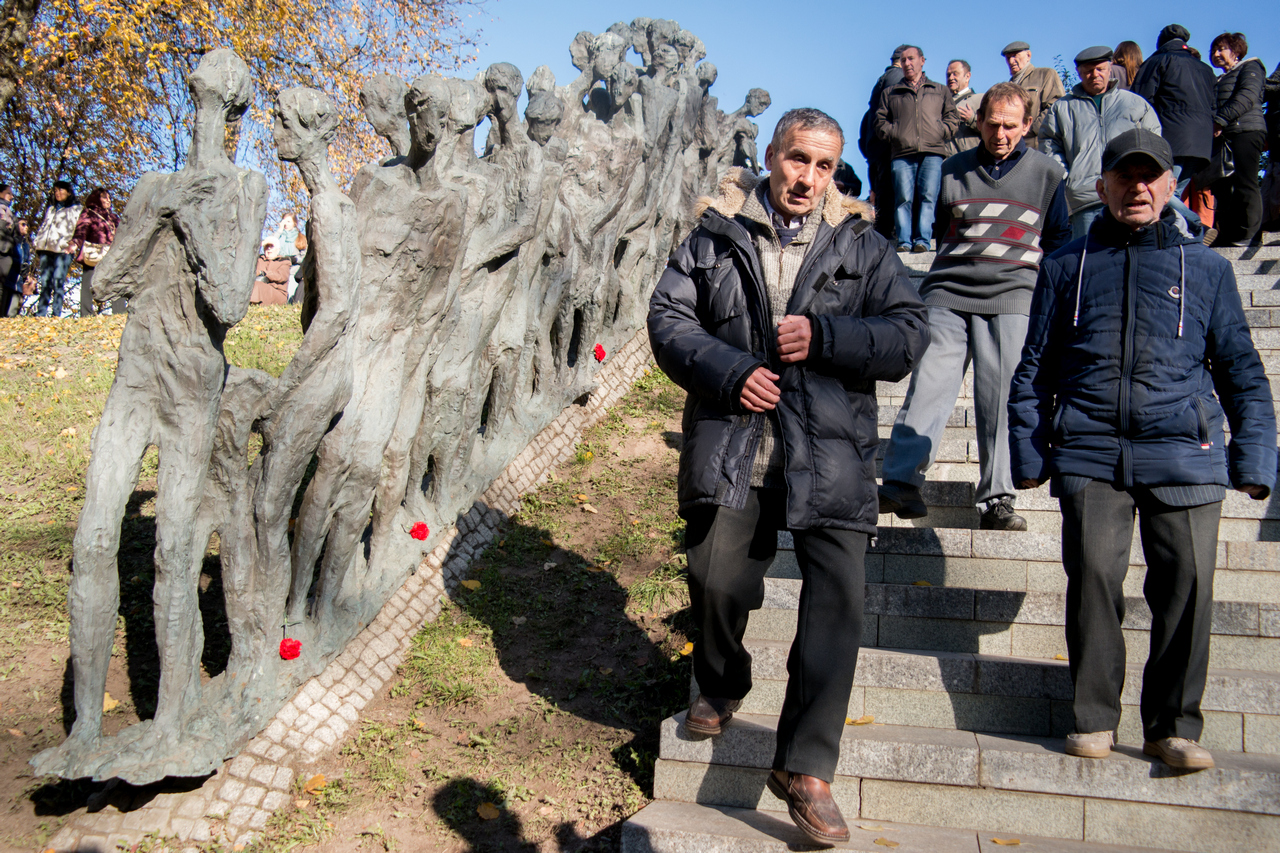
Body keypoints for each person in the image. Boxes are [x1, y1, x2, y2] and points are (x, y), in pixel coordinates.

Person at [648, 108, 929, 844]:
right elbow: (670, 318)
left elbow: (908, 332)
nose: (808, 177)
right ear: (772, 155)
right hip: (735, 440)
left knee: (838, 598)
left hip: (831, 452)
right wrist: (731, 370)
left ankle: (806, 767)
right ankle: (720, 679)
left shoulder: (863, 245)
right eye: (798, 159)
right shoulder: (715, 235)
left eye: (824, 165)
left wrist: (830, 336)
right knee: (714, 575)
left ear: (836, 172)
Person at [1009, 128, 1276, 770]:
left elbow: (1241, 368)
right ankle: (1093, 717)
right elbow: (1034, 368)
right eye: (1124, 176)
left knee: (1186, 584)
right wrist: (1028, 452)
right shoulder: (1065, 265)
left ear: (1170, 186)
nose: (1137, 186)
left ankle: (1173, 726)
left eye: (1150, 175)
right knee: (1095, 578)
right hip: (1091, 449)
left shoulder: (1208, 270)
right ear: (1101, 187)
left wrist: (1255, 459)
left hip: (1184, 451)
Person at [879, 82, 1068, 531]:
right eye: (992, 124)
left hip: (1014, 296)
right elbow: (939, 225)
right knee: (929, 383)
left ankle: (997, 499)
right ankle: (902, 482)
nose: (1000, 134)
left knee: (1000, 398)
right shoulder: (951, 169)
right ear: (978, 121)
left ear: (1026, 126)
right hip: (947, 293)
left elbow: (1059, 242)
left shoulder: (1048, 173)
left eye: (1010, 126)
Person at [1041, 46, 1162, 238]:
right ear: (1079, 73)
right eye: (1088, 71)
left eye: (1100, 69)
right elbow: (1049, 142)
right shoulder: (1062, 108)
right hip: (1085, 197)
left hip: (1129, 194)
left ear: (1110, 69)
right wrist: (1065, 175)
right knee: (1088, 257)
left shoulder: (1135, 103)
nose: (1095, 75)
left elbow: (1154, 142)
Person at [874, 45, 959, 252]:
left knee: (928, 197)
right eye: (903, 60)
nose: (907, 63)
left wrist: (941, 131)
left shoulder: (940, 90)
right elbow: (879, 122)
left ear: (922, 60)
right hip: (902, 154)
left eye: (911, 59)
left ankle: (923, 241)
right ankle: (904, 241)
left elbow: (953, 118)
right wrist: (895, 135)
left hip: (933, 152)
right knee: (903, 198)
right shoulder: (890, 92)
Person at [1131, 24, 1216, 228]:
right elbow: (1215, 104)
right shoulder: (1205, 69)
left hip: (1171, 137)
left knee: (1163, 192)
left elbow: (1140, 101)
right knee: (1174, 191)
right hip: (1202, 141)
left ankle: (1195, 223)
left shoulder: (1157, 61)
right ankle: (1184, 236)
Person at [1208, 32, 1267, 247]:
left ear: (1236, 50)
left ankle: (1249, 233)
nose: (1215, 54)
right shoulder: (1219, 79)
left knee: (1245, 181)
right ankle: (1228, 233)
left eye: (1221, 48)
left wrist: (1220, 120)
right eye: (1213, 50)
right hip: (1225, 134)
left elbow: (1247, 96)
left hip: (1247, 130)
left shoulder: (1251, 67)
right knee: (1223, 186)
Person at [860, 45, 909, 240]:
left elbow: (864, 131)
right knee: (890, 196)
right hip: (888, 150)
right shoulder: (896, 78)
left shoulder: (880, 83)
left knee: (883, 196)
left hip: (876, 151)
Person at [1000, 41, 1065, 150]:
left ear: (1028, 55)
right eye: (1008, 58)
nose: (1011, 61)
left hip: (1040, 148)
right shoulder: (1006, 87)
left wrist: (1029, 128)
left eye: (1015, 56)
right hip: (1012, 150)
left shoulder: (1045, 74)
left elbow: (1056, 107)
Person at [32, 180, 82, 317]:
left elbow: (79, 229)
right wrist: (37, 241)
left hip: (63, 251)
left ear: (69, 192)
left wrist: (73, 245)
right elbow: (44, 226)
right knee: (45, 281)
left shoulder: (76, 209)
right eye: (55, 191)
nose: (57, 193)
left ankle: (56, 314)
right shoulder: (51, 209)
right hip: (45, 249)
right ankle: (41, 313)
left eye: (61, 190)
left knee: (58, 280)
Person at [72, 188, 120, 317]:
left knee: (116, 282)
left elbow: (124, 232)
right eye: (104, 197)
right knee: (88, 282)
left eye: (109, 198)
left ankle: (119, 312)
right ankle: (85, 313)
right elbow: (81, 230)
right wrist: (75, 243)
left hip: (111, 254)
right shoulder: (89, 213)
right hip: (93, 253)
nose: (108, 201)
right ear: (96, 198)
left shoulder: (113, 217)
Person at [945, 59, 983, 155]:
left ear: (967, 76)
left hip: (971, 161)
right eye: (948, 75)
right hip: (947, 162)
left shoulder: (980, 100)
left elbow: (992, 129)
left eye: (955, 74)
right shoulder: (941, 103)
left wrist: (972, 119)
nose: (950, 78)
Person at [0, 184, 22, 317]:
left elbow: (16, 237)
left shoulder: (11, 214)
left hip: (6, 254)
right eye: (9, 193)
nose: (12, 196)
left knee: (1, 287)